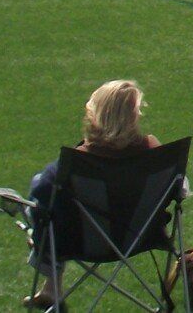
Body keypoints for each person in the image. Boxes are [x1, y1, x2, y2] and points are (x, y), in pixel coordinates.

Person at [21, 80, 164, 309]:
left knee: (39, 210)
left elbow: (41, 193)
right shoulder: (154, 155)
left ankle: (52, 283)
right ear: (134, 117)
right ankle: (51, 289)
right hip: (140, 236)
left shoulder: (73, 167)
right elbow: (180, 188)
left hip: (82, 242)